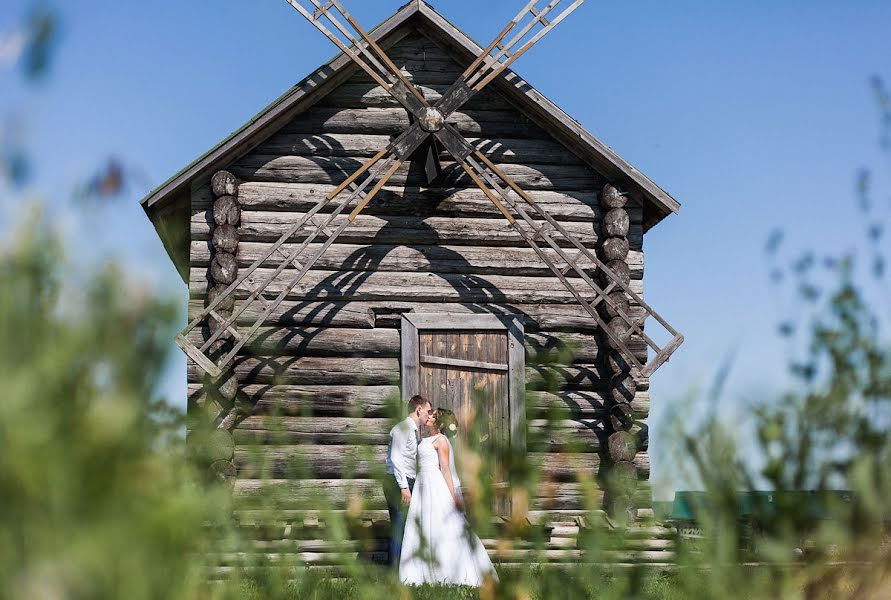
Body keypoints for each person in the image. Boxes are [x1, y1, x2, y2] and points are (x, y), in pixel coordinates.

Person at [399, 408, 498, 586]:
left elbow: (445, 471)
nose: (429, 417)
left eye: (433, 416)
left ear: (441, 423)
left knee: (441, 526)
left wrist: (453, 499)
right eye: (429, 415)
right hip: (423, 484)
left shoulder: (441, 441)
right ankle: (420, 572)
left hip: (434, 485)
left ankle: (449, 571)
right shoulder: (425, 439)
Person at [384, 394, 431, 567]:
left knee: (403, 528)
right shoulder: (402, 428)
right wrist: (404, 487)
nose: (428, 415)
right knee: (399, 528)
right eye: (427, 411)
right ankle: (394, 574)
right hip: (398, 483)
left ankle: (401, 571)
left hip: (405, 482)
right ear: (418, 410)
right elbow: (396, 459)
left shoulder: (412, 430)